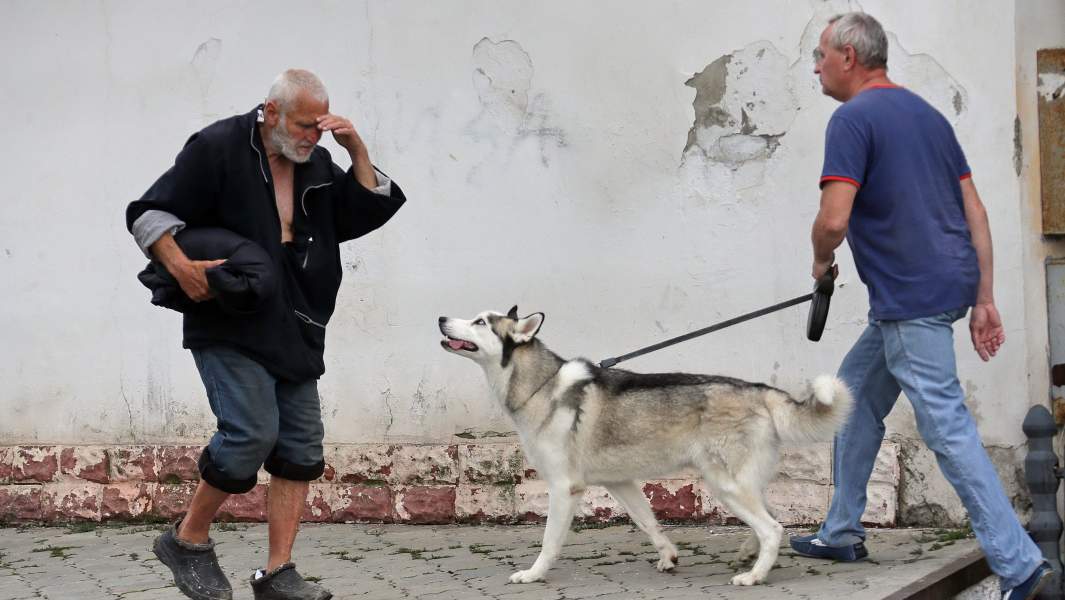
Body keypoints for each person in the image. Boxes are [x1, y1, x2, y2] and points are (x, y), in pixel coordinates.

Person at [789, 13, 1051, 600]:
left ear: (850, 57)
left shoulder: (852, 118)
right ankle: (840, 532)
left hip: (910, 298)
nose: (815, 66)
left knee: (947, 428)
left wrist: (818, 262)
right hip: (941, 289)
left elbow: (833, 220)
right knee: (851, 401)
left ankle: (1022, 568)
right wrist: (984, 298)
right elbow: (975, 211)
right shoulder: (928, 117)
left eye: (820, 55)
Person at [126, 69, 406, 600]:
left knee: (300, 447)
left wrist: (356, 148)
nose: (311, 138)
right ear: (271, 111)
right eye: (304, 126)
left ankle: (278, 575)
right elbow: (148, 213)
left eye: (319, 130)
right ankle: (187, 540)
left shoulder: (317, 163)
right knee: (251, 432)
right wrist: (183, 268)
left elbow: (361, 210)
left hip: (296, 320)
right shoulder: (217, 148)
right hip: (229, 318)